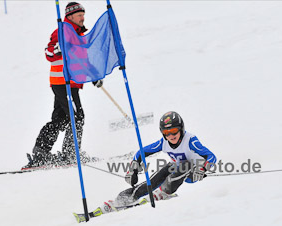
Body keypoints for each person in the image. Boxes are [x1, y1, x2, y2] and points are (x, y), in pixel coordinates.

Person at [23, 2, 103, 169]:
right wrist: (58, 49)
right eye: (79, 15)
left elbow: (82, 60)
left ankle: (41, 152)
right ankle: (70, 153)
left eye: (83, 14)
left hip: (70, 83)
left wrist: (94, 75)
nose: (83, 18)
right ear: (70, 16)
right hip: (62, 82)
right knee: (77, 116)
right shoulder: (61, 31)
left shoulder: (79, 35)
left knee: (61, 119)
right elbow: (49, 52)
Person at [111, 111, 217, 207]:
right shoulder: (163, 142)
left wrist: (202, 168)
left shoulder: (190, 140)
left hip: (193, 173)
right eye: (166, 133)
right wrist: (133, 169)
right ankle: (127, 196)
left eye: (174, 131)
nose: (171, 135)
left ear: (181, 129)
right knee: (154, 180)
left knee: (186, 165)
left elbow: (212, 156)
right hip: (175, 167)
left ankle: (164, 191)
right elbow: (141, 153)